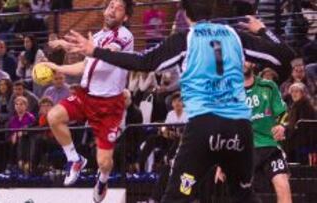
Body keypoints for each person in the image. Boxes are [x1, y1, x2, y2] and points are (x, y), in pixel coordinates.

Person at [68, 0, 295, 202]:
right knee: (243, 195)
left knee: (176, 196)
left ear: (185, 13)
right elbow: (285, 55)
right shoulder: (235, 35)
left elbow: (143, 62)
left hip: (204, 126)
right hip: (239, 128)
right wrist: (263, 30)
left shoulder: (185, 39)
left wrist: (95, 51)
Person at [42, 0, 134, 202]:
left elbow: (107, 54)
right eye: (110, 5)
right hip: (86, 96)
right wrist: (56, 68)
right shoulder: (98, 37)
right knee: (54, 116)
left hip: (109, 106)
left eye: (119, 8)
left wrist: (76, 46)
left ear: (125, 17)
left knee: (104, 162)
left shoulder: (125, 36)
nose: (112, 9)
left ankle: (103, 179)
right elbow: (83, 67)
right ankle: (74, 159)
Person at [244, 62, 292, 203]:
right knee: (241, 193)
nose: (242, 62)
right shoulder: (230, 91)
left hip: (269, 146)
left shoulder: (269, 86)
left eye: (246, 59)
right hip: (243, 150)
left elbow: (284, 113)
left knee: (283, 185)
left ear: (253, 63)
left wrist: (282, 126)